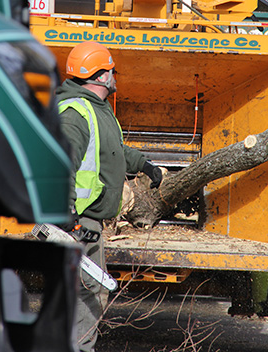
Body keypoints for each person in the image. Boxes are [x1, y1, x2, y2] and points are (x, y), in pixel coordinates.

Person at [56, 41, 163, 352]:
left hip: (88, 221)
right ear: (101, 76)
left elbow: (112, 150)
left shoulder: (97, 109)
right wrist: (67, 215)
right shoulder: (75, 114)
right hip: (78, 223)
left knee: (88, 291)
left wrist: (144, 164)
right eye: (112, 70)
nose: (115, 76)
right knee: (87, 293)